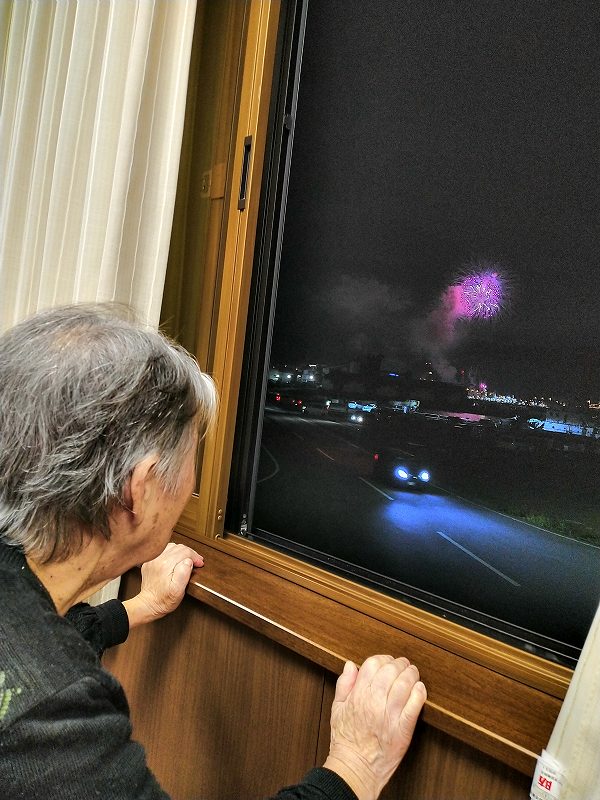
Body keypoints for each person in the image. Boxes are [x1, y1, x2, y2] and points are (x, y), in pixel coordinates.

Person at [0, 304, 427, 800]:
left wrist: (136, 609)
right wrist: (355, 766)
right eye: (192, 454)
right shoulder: (50, 711)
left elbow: (26, 647)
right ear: (139, 490)